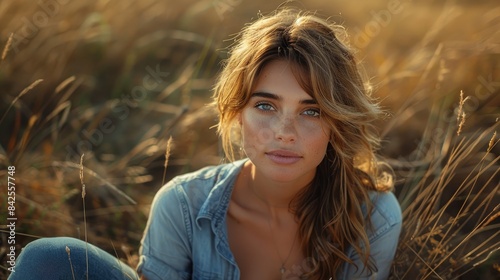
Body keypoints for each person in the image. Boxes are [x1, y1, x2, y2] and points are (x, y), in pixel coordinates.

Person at [8, 8, 402, 280]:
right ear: (237, 112)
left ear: (338, 123)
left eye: (311, 111)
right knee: (49, 258)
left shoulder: (374, 218)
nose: (285, 131)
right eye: (265, 105)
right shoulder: (181, 204)